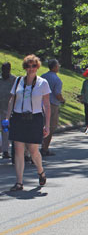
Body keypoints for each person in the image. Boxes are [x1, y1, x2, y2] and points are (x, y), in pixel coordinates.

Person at [4, 55, 51, 191]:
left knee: (33, 150)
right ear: (25, 67)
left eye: (34, 66)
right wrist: (7, 117)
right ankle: (19, 182)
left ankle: (41, 171)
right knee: (18, 150)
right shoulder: (18, 81)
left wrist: (47, 125)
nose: (31, 69)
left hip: (34, 118)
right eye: (28, 66)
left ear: (37, 67)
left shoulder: (43, 83)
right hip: (18, 117)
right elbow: (12, 100)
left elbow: (47, 105)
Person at [41, 59, 65, 156]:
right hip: (52, 105)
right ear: (55, 67)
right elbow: (57, 94)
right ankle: (45, 148)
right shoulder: (57, 80)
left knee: (40, 126)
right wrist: (62, 100)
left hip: (40, 104)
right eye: (58, 65)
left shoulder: (42, 77)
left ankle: (34, 148)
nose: (59, 66)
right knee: (50, 127)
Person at [0, 62, 16, 159]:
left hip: (9, 109)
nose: (6, 71)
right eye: (4, 69)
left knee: (8, 130)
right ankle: (4, 150)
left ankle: (9, 150)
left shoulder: (13, 80)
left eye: (7, 69)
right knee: (4, 130)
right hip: (0, 108)